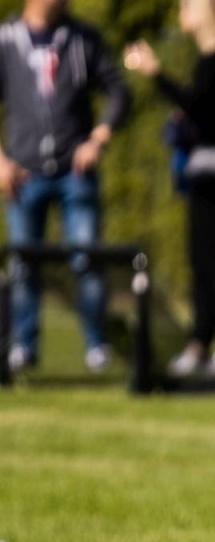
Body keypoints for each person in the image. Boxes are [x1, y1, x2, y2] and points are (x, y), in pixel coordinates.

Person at [123, 0, 215, 383]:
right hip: (207, 173)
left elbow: (202, 107)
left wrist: (155, 73)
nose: (181, 10)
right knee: (201, 258)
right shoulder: (212, 58)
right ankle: (200, 342)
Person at [0, 0, 128, 376]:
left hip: (75, 172)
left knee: (86, 258)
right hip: (24, 173)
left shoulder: (82, 38)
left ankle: (96, 344)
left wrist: (98, 139)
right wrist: (2, 161)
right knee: (23, 264)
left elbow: (118, 91)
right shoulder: (6, 39)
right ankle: (24, 346)